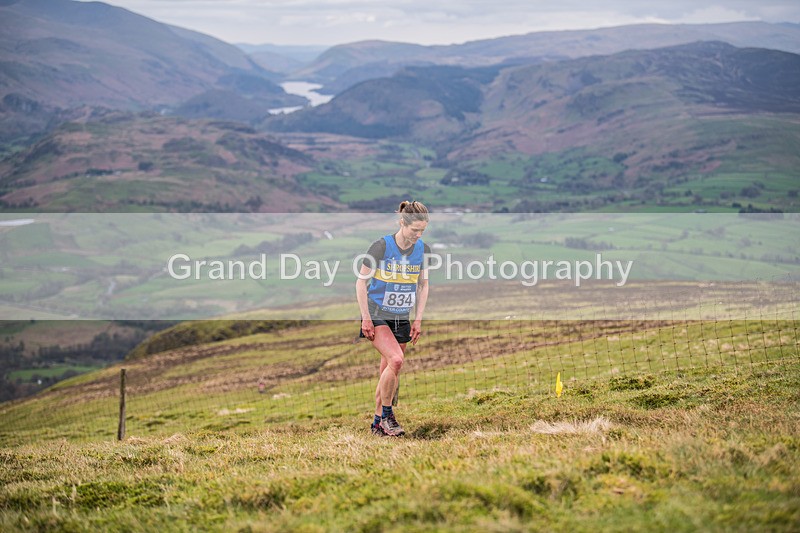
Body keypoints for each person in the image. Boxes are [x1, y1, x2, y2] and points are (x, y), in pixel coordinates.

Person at [356, 201, 431, 437]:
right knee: (396, 361)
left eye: (422, 231)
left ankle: (377, 424)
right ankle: (388, 417)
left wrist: (418, 319)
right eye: (414, 230)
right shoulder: (381, 246)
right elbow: (360, 282)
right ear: (402, 223)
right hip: (377, 313)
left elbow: (423, 284)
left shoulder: (423, 250)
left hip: (402, 316)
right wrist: (365, 318)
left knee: (389, 370)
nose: (418, 235)